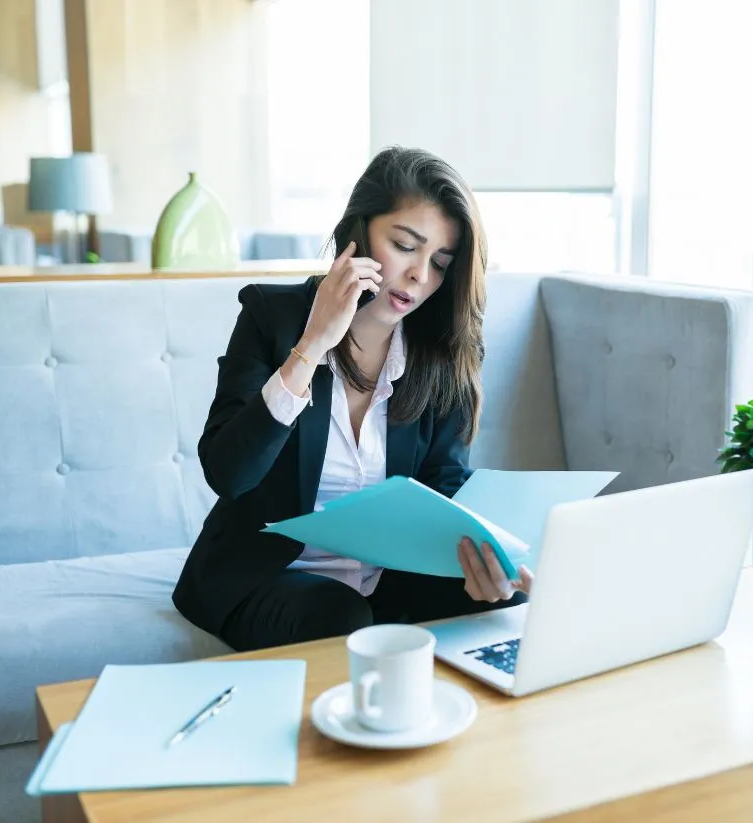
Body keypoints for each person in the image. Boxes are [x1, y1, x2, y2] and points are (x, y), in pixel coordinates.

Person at [173, 147, 534, 652]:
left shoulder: (441, 352)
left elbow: (445, 486)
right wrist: (313, 343)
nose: (420, 275)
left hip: (384, 578)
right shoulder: (270, 317)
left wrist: (486, 561)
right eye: (405, 246)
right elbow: (229, 474)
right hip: (268, 575)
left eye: (440, 263)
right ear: (358, 234)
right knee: (340, 615)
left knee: (508, 598)